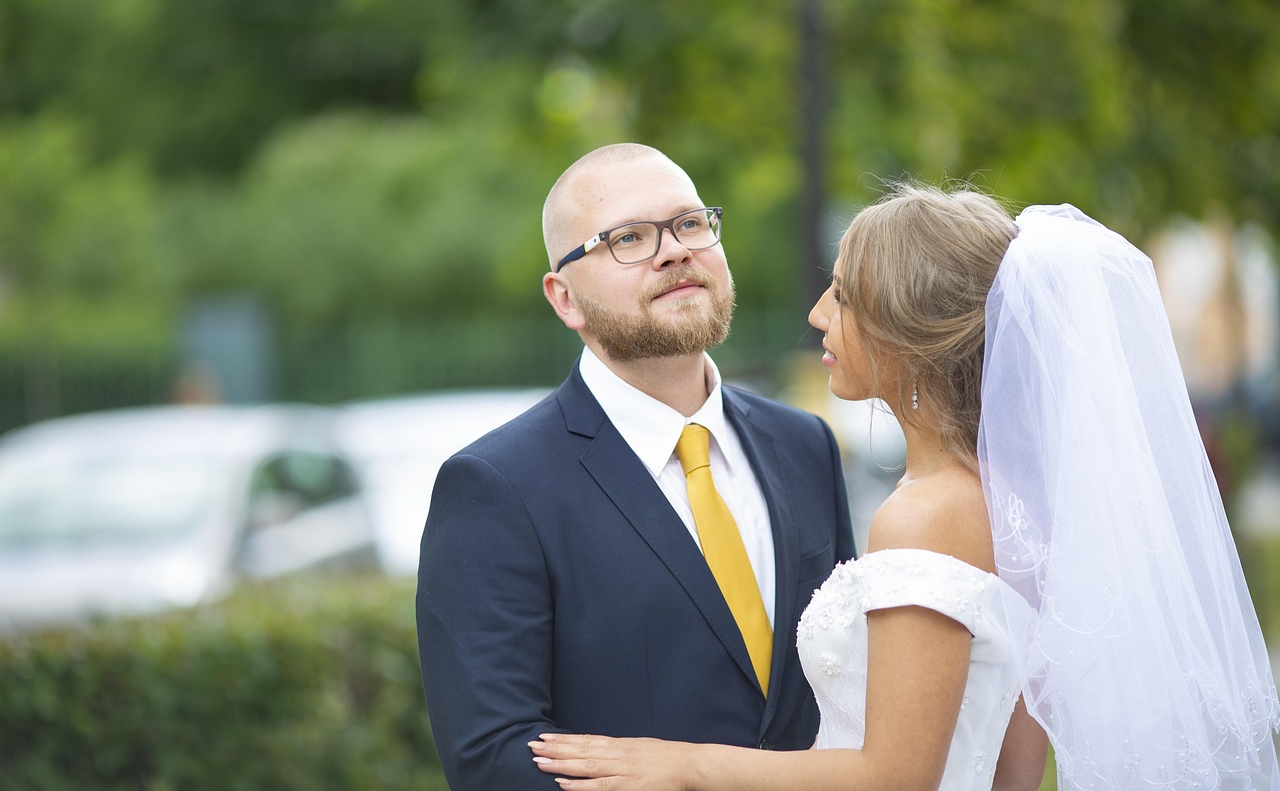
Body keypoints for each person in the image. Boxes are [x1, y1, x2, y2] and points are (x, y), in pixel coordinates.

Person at [530, 185, 1280, 790]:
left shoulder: (923, 516)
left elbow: (893, 774)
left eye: (845, 296)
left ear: (905, 327)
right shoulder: (1009, 504)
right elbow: (1015, 770)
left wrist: (680, 765)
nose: (818, 313)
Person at [417, 142, 856, 790]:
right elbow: (494, 760)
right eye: (626, 237)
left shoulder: (806, 445)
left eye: (689, 223)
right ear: (564, 298)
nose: (675, 249)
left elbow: (849, 686)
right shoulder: (496, 487)